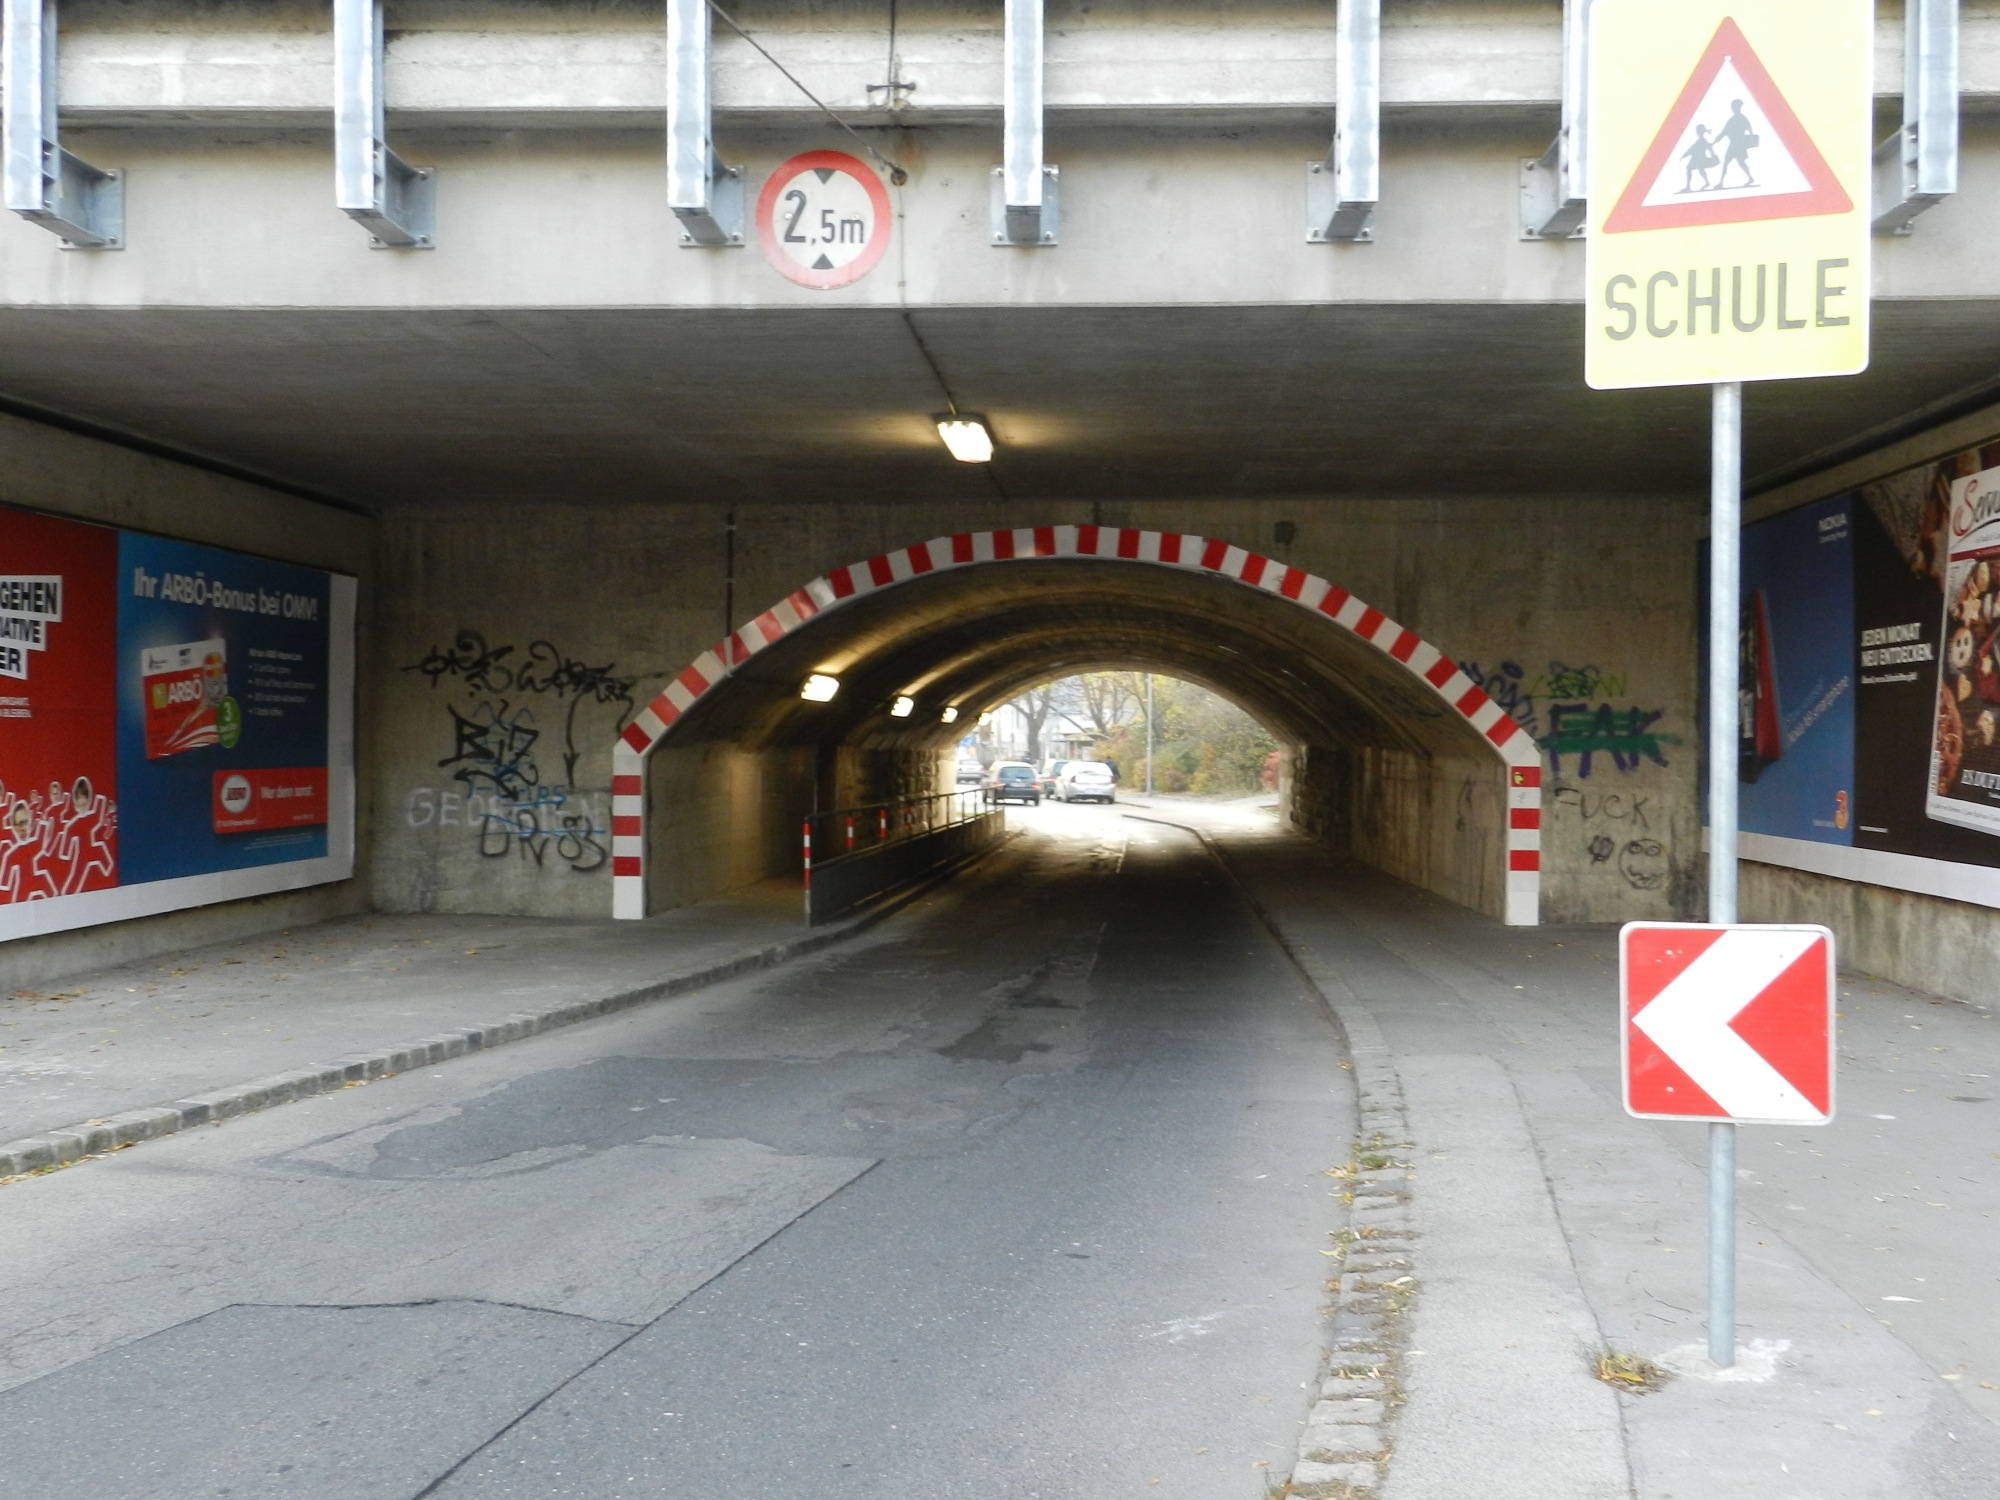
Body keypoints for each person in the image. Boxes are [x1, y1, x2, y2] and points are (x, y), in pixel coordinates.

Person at [1715, 100, 1757, 188]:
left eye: (1734, 107)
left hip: (1738, 144)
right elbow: (1724, 132)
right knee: (1734, 162)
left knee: (1734, 162)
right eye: (1733, 107)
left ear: (1737, 108)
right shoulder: (1732, 120)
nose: (1733, 109)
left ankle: (1721, 182)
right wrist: (1715, 141)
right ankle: (1721, 182)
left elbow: (1749, 129)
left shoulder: (1742, 118)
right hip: (1734, 144)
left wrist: (1750, 139)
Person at [1679, 125, 1718, 192]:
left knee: (1699, 168)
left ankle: (1705, 183)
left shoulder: (1702, 140)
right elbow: (1691, 150)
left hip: (1700, 159)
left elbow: (1709, 148)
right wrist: (1684, 155)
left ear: (1699, 132)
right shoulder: (1700, 140)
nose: (1696, 133)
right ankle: (1689, 186)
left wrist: (1713, 156)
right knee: (1690, 168)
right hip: (1696, 159)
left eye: (1697, 131)